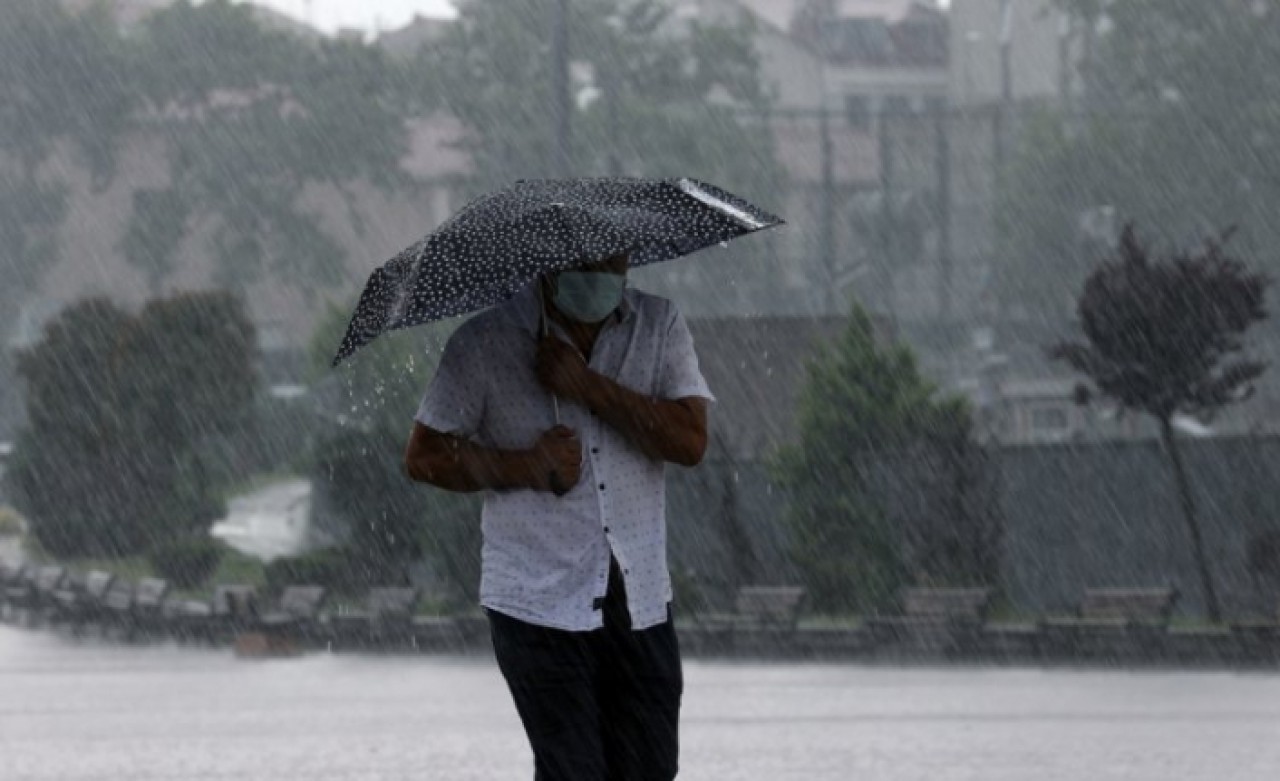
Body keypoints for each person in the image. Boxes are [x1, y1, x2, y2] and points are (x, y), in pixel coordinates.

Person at [403, 251, 713, 781]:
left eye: (613, 261)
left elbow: (689, 441)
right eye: (585, 261)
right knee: (574, 771)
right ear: (548, 264)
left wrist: (588, 387)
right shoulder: (486, 340)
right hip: (535, 599)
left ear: (630, 259)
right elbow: (424, 456)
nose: (601, 273)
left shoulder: (659, 325)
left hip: (638, 599)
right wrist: (525, 465)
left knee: (649, 769)